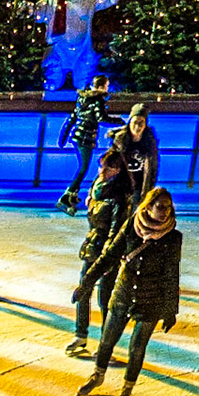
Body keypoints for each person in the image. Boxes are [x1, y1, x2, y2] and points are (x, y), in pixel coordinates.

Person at [74, 186, 183, 396]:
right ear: (148, 206)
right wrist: (86, 283)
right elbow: (109, 256)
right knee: (106, 341)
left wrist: (170, 310)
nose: (164, 212)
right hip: (123, 293)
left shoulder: (173, 237)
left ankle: (126, 390)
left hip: (151, 300)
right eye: (160, 206)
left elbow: (172, 274)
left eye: (168, 207)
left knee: (137, 349)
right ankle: (97, 376)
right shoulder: (133, 226)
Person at [66, 148, 132, 359]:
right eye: (102, 165)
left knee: (105, 299)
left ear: (118, 171)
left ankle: (106, 344)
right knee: (83, 290)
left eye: (109, 167)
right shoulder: (97, 186)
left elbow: (115, 232)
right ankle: (80, 335)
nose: (103, 170)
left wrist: (108, 262)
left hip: (107, 253)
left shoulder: (120, 198)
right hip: (91, 246)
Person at [55, 73, 120, 215]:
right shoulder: (97, 100)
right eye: (107, 86)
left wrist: (63, 137)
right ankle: (67, 195)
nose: (107, 89)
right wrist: (119, 121)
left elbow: (72, 117)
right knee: (83, 168)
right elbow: (101, 118)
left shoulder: (83, 99)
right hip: (85, 139)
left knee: (82, 167)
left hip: (77, 137)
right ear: (102, 86)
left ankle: (72, 195)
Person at [36, 0, 121, 91]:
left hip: (82, 50)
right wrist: (29, 9)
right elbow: (39, 13)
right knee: (53, 78)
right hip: (58, 49)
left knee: (82, 80)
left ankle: (83, 89)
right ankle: (53, 84)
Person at [110, 104, 159, 202]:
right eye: (135, 122)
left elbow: (153, 169)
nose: (137, 126)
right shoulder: (120, 141)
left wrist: (149, 191)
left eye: (141, 123)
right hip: (121, 186)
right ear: (129, 123)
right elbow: (108, 164)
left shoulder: (149, 142)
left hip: (139, 188)